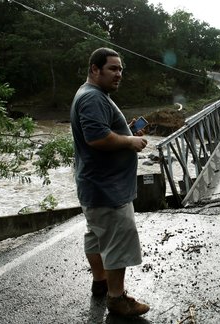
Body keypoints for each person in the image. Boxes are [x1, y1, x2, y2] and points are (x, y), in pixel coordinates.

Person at [70, 47, 150, 317]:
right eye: (112, 69)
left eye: (121, 69)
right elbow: (96, 138)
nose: (119, 74)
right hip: (107, 189)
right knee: (118, 239)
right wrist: (130, 140)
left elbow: (101, 131)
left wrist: (125, 130)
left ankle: (100, 282)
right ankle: (117, 298)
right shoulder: (92, 98)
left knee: (96, 236)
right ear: (95, 69)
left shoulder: (91, 94)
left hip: (95, 185)